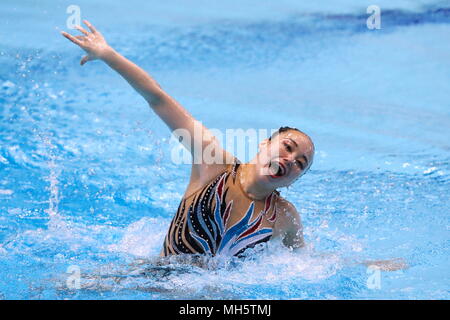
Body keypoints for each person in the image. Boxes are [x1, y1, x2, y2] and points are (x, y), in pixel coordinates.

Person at [61, 21, 406, 270]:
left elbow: (308, 264)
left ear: (295, 181)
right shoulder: (211, 162)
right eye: (287, 147)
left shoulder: (284, 217)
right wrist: (108, 55)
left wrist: (368, 265)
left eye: (301, 163)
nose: (290, 160)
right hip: (155, 280)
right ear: (264, 144)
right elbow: (157, 98)